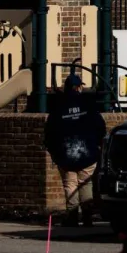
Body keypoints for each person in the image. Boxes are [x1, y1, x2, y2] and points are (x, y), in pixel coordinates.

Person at [44, 74, 107, 226]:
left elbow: (50, 132)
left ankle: (72, 216)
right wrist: (97, 144)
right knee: (85, 183)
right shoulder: (88, 104)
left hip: (66, 153)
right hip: (87, 152)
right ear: (79, 87)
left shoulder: (58, 107)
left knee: (70, 184)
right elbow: (101, 127)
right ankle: (87, 216)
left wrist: (54, 151)